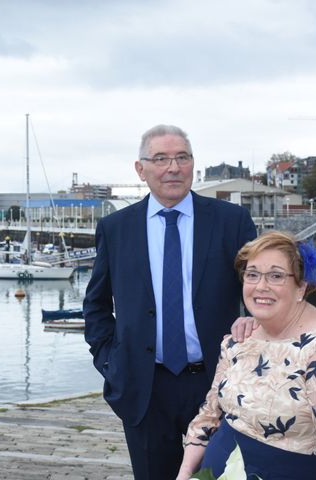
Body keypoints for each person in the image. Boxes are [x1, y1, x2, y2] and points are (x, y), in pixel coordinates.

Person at [83, 124, 257, 479]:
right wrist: (111, 363)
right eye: (160, 159)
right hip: (145, 388)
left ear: (193, 164)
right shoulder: (116, 228)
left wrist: (255, 325)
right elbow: (96, 304)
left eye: (182, 157)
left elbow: (261, 291)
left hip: (217, 382)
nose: (173, 167)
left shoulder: (231, 221)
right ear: (140, 169)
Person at [177, 231, 316, 479]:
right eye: (252, 274)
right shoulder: (239, 339)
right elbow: (209, 416)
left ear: (302, 287)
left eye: (276, 276)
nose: (261, 286)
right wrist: (185, 474)